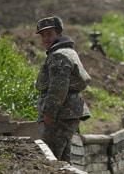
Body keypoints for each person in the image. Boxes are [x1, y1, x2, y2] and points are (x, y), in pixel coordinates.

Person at [35, 16, 91, 162]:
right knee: (63, 160)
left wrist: (49, 113)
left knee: (50, 158)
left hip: (60, 115)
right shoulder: (67, 51)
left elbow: (57, 89)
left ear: (59, 34)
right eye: (42, 35)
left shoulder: (58, 55)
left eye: (49, 34)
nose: (45, 38)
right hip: (67, 113)